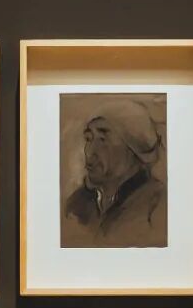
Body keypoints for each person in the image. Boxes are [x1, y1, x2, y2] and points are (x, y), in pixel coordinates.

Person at [61, 99, 167, 248]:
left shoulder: (158, 205)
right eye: (88, 139)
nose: (89, 152)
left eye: (103, 140)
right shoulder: (76, 205)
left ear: (134, 148)